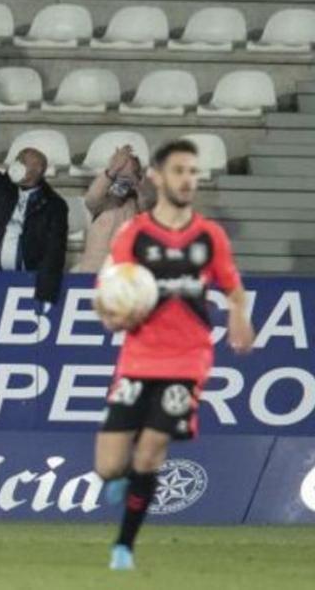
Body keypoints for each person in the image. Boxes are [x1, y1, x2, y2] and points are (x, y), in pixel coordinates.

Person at [93, 139, 255, 571]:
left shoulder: (208, 236)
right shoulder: (136, 235)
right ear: (158, 178)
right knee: (109, 466)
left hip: (187, 359)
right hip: (137, 356)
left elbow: (232, 288)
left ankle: (123, 545)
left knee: (150, 452)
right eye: (179, 171)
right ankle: (120, 477)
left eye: (192, 172)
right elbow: (108, 288)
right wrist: (112, 314)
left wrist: (240, 317)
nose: (187, 179)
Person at [0, 131, 69, 305]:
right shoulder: (3, 188)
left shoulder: (54, 205)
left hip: (26, 283)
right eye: (17, 159)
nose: (16, 164)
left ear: (38, 169)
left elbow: (54, 250)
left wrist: (44, 293)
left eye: (23, 161)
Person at [75, 146, 155, 273]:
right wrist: (112, 171)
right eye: (119, 174)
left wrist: (135, 180)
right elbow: (92, 198)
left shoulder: (139, 203)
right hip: (95, 268)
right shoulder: (103, 202)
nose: (122, 181)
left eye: (128, 174)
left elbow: (148, 203)